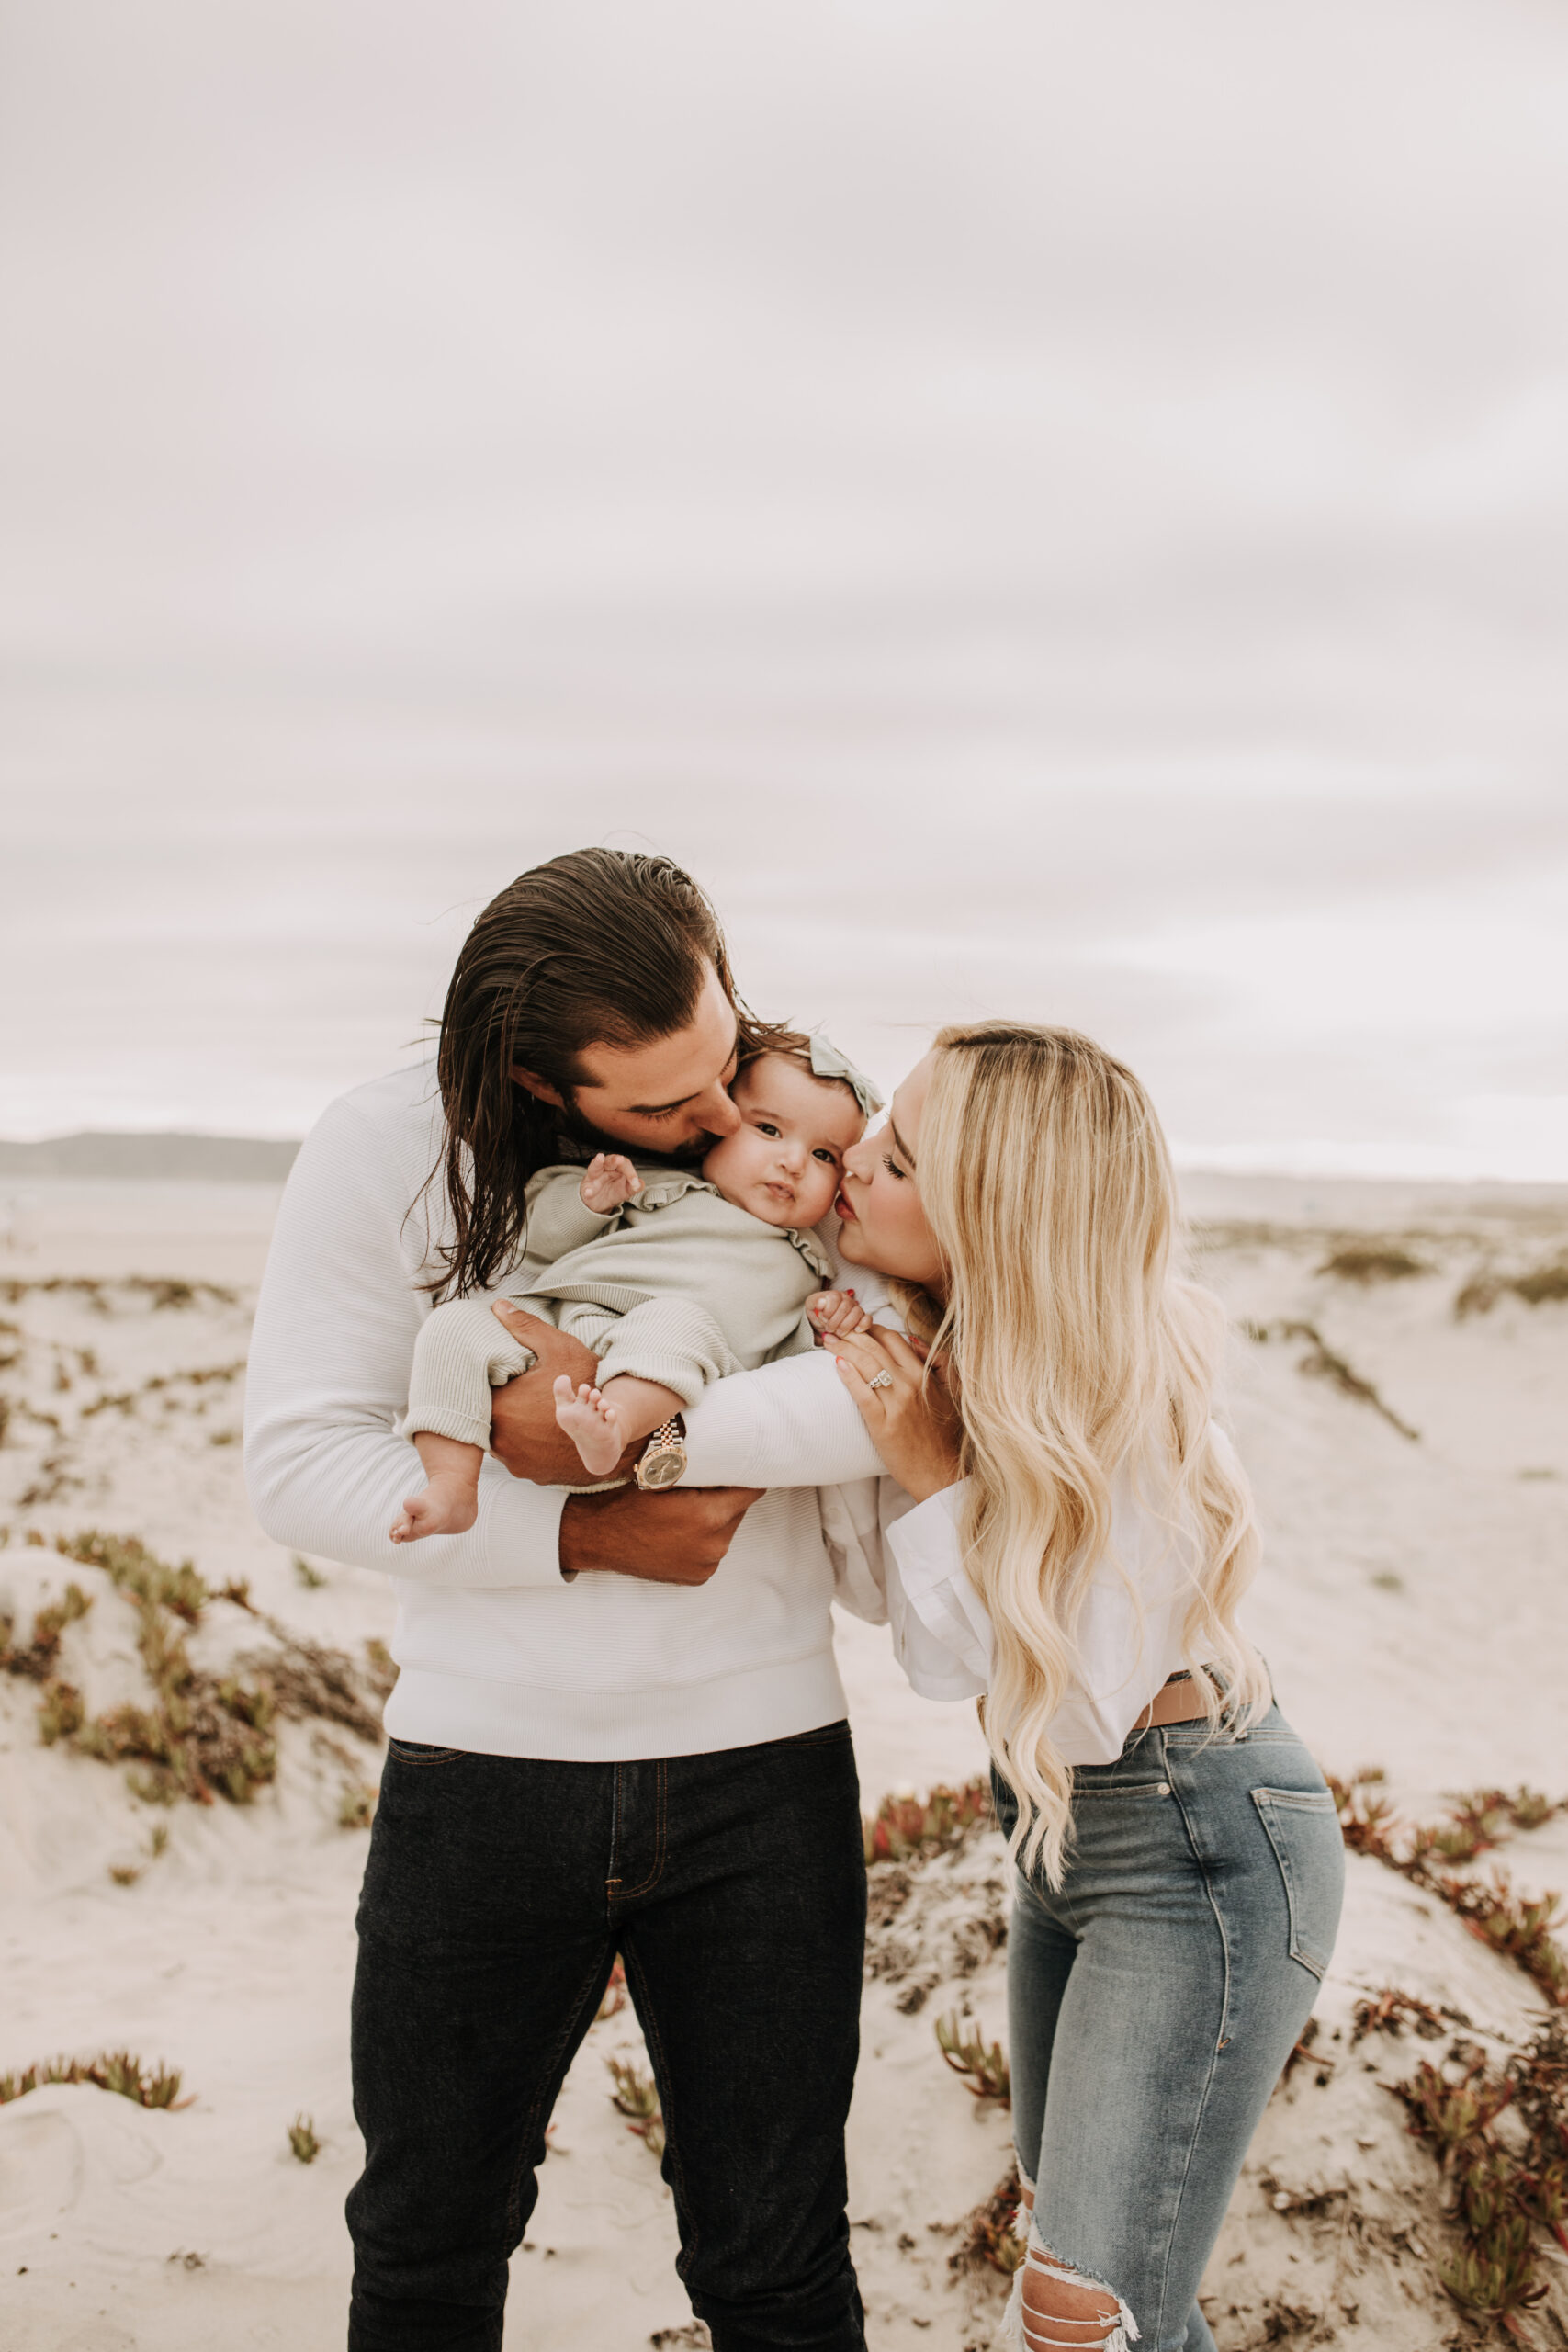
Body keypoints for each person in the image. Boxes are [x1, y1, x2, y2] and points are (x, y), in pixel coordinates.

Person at [243, 848, 886, 2352]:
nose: (722, 1123)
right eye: (664, 1109)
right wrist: (578, 1539)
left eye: (724, 1065)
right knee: (426, 2242)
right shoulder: (384, 1148)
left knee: (777, 2268)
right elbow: (299, 1466)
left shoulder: (797, 1116)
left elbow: (898, 1381)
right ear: (536, 1081)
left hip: (762, 1770)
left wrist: (647, 1436)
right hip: (483, 1774)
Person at [817, 1023, 1347, 2352]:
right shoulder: (975, 1361)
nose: (852, 1166)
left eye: (895, 1157)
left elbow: (1070, 1707)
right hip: (1063, 1839)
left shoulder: (1115, 1394)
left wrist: (931, 1476)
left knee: (1082, 2315)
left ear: (989, 1208)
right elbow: (934, 1646)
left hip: (1197, 1850)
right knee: (1102, 2277)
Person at [389, 1032, 875, 1538]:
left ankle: (613, 1425)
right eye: (769, 1129)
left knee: (676, 1320)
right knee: (453, 1327)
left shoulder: (805, 1265)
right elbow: (535, 1238)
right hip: (559, 1323)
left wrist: (824, 1324)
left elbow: (783, 1372)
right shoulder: (658, 1185)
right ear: (720, 1122)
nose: (793, 1162)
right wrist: (589, 1202)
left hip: (662, 1376)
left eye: (824, 1155)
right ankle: (450, 1483)